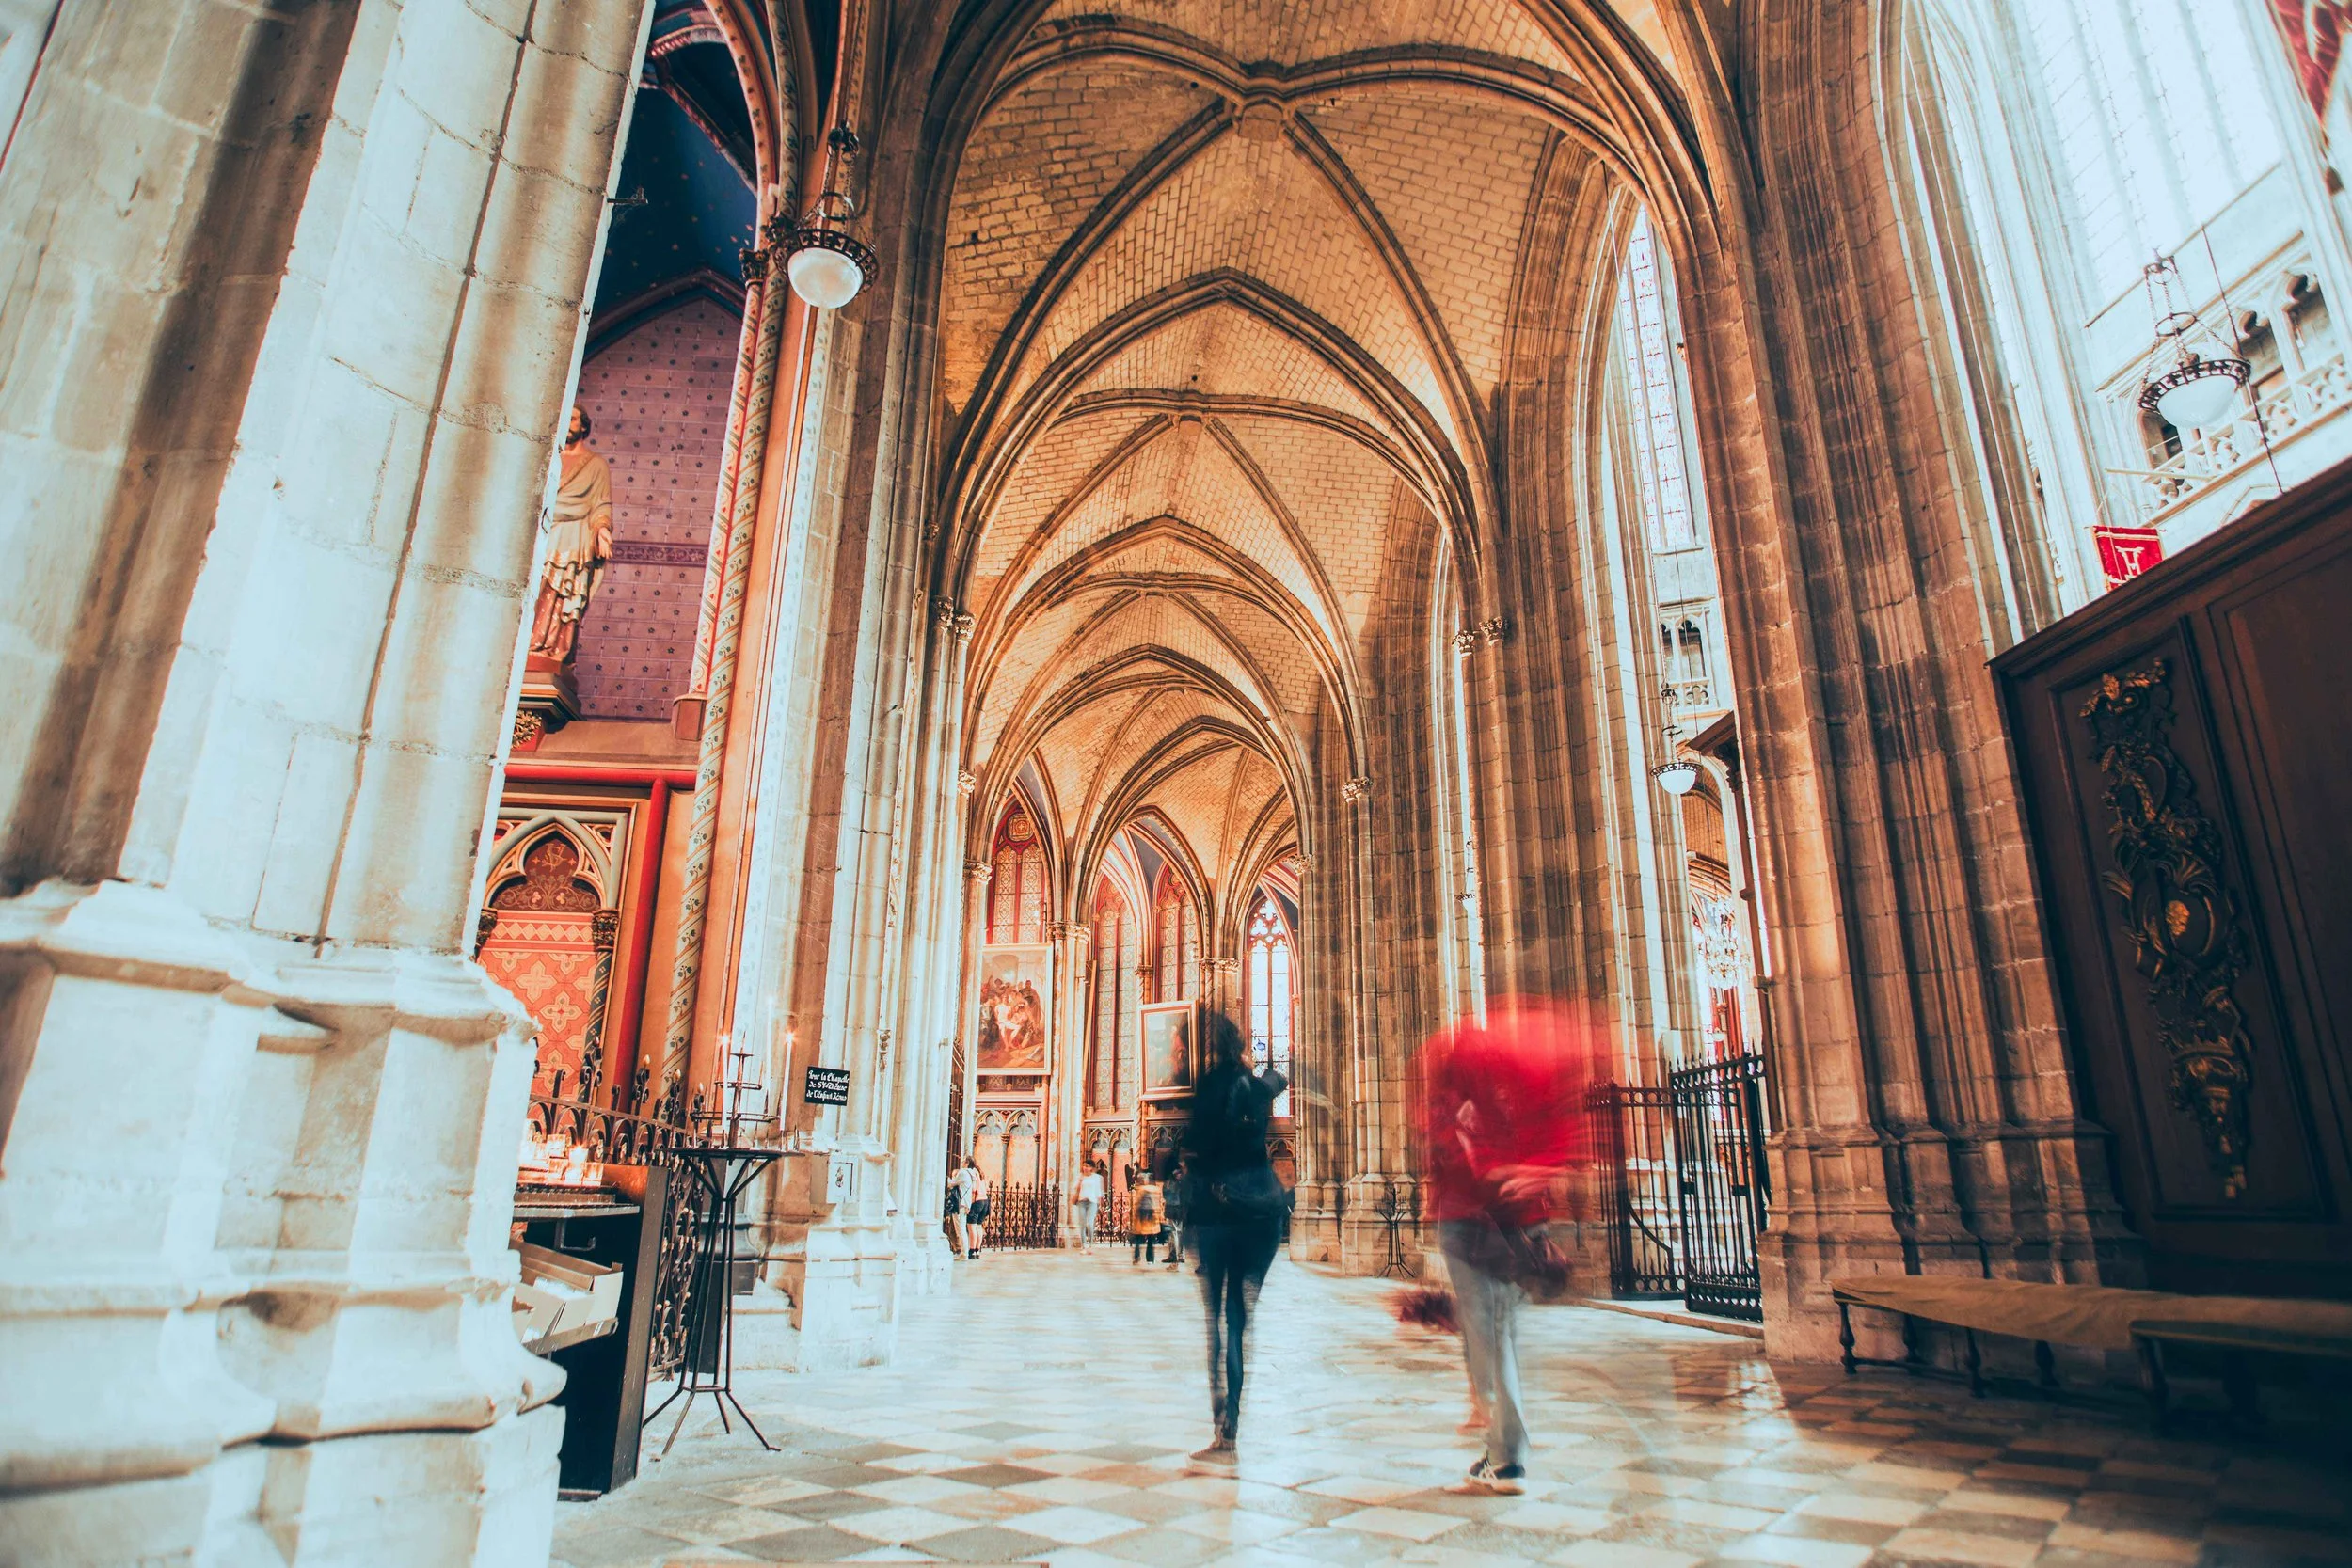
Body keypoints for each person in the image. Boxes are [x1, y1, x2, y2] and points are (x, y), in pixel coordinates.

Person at [1417, 1003, 1595, 1497]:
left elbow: (1448, 1143)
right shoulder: (1513, 1074)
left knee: (1491, 1336)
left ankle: (1508, 1454)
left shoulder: (1462, 1075)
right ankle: (1500, 1445)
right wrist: (1538, 1172)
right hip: (1512, 1218)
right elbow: (1554, 1125)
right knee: (1497, 1333)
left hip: (1473, 1220)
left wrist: (1496, 1173)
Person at [1180, 1010, 1288, 1468]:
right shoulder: (1256, 1087)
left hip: (1221, 1213)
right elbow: (1281, 1077)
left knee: (1217, 1324)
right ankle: (1233, 1423)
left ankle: (1224, 1430)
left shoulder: (1208, 1087)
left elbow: (1199, 1147)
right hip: (1262, 1213)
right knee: (1239, 1321)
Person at [529, 405, 613, 665]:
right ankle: (530, 644)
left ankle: (551, 649)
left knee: (560, 593)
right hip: (545, 531)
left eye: (574, 419)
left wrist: (601, 530)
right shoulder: (548, 458)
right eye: (565, 418)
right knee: (537, 587)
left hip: (573, 535)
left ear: (584, 426)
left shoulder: (595, 465)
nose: (569, 424)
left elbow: (600, 503)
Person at [1129, 1170, 1163, 1263]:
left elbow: (1136, 1204)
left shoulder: (1140, 1189)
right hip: (1152, 1218)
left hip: (1141, 1218)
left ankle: (1137, 1257)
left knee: (1138, 1240)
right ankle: (1150, 1259)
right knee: (1151, 1240)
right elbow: (1159, 1203)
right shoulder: (1156, 1189)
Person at [1162, 1155, 1188, 1271]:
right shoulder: (1179, 1182)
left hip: (1175, 1210)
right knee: (1176, 1233)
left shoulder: (1175, 1182)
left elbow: (1168, 1195)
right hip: (1177, 1210)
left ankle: (1177, 1258)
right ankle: (1176, 1255)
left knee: (1176, 1233)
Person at [961, 1157, 991, 1259]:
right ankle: (977, 1251)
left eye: (964, 1161)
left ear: (968, 1163)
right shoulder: (980, 1171)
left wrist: (970, 1203)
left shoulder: (973, 1171)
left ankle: (971, 1250)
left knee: (971, 1227)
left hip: (977, 1200)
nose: (962, 1163)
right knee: (978, 1226)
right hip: (985, 1201)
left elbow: (974, 1188)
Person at [1074, 1160, 1105, 1249]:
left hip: (1092, 1202)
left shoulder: (1097, 1178)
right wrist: (1080, 1181)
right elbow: (1075, 1188)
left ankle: (1091, 1242)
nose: (1084, 1168)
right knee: (1082, 1223)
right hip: (1082, 1202)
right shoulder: (1080, 1177)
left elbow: (1099, 1191)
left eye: (1087, 1166)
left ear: (1091, 1168)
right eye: (1083, 1166)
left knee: (1090, 1223)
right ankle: (1083, 1244)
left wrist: (1099, 1202)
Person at [945, 1167, 967, 1258]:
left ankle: (960, 1249)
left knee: (958, 1230)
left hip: (956, 1210)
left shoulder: (957, 1187)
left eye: (955, 1176)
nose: (954, 1177)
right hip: (953, 1210)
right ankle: (958, 1248)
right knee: (953, 1230)